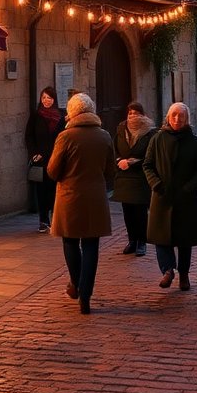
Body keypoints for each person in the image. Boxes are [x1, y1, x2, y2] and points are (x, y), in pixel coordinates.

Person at [47, 93, 115, 315]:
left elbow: (53, 170)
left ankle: (76, 285)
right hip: (95, 196)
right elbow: (110, 171)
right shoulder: (104, 136)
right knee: (91, 245)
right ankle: (85, 295)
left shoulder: (66, 137)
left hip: (70, 196)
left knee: (70, 240)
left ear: (72, 112)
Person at [143, 102, 197, 291]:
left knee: (184, 239)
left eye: (181, 116)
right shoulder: (157, 139)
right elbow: (147, 164)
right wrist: (156, 183)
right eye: (174, 115)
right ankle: (168, 270)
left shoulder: (194, 141)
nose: (177, 119)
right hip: (162, 195)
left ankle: (184, 274)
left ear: (187, 119)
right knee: (161, 236)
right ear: (168, 118)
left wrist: (189, 187)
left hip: (185, 197)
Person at [112, 102, 156, 256]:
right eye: (130, 113)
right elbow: (114, 149)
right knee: (128, 211)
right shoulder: (120, 130)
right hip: (124, 177)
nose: (132, 116)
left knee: (140, 212)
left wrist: (133, 162)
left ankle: (142, 241)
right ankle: (132, 240)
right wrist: (119, 161)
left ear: (142, 114)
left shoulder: (150, 133)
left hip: (140, 177)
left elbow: (151, 156)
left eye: (136, 113)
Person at [25, 86, 65, 232]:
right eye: (43, 98)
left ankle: (56, 219)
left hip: (56, 158)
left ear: (54, 99)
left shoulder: (61, 116)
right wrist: (33, 153)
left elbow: (64, 137)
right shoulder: (36, 116)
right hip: (41, 160)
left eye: (49, 98)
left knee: (55, 190)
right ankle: (43, 220)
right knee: (41, 191)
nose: (46, 101)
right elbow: (29, 136)